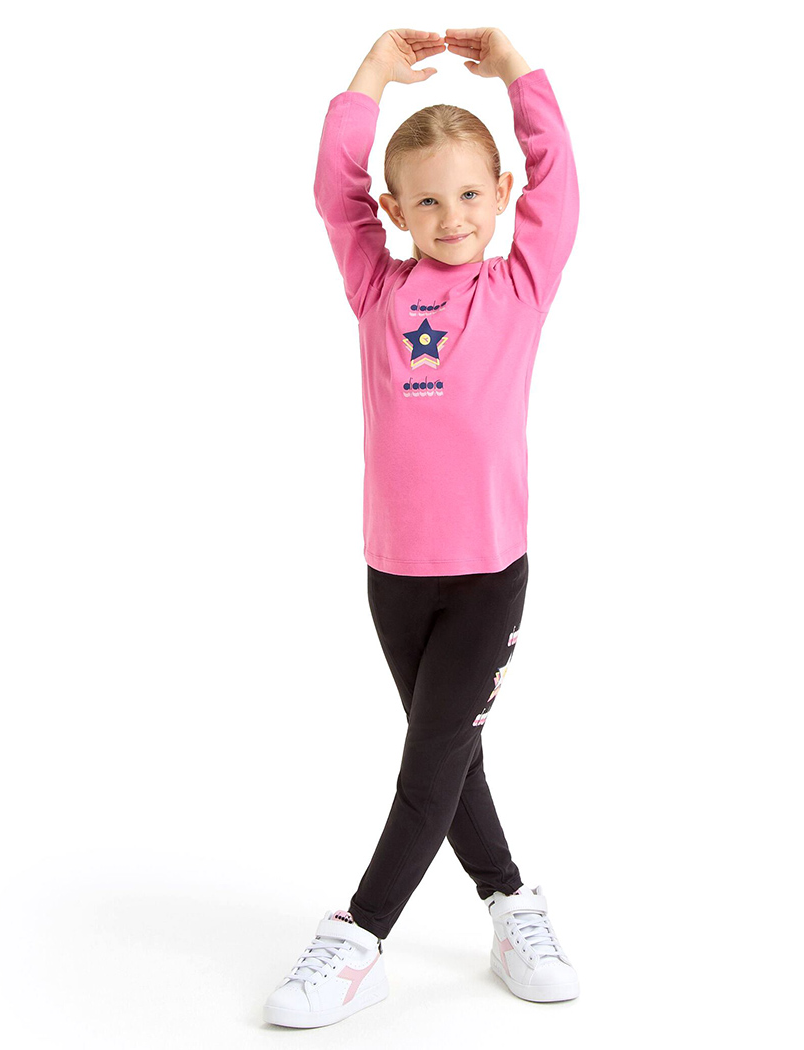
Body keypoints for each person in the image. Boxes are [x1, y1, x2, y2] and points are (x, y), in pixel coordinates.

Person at [263, 27, 580, 1028]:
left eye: (472, 194)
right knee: (451, 754)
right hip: (394, 572)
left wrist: (517, 71)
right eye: (428, 202)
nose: (453, 218)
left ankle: (360, 938)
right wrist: (371, 77)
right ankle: (512, 901)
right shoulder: (377, 285)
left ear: (504, 193)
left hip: (488, 573)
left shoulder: (520, 285)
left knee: (432, 756)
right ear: (395, 211)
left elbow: (564, 183)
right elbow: (334, 188)